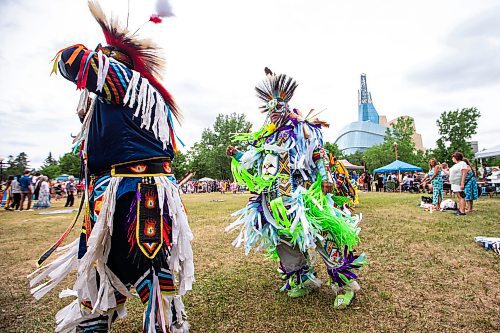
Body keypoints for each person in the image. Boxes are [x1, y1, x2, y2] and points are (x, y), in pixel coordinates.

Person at [29, 2, 194, 332]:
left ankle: (162, 325)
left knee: (146, 266)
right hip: (115, 198)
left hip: (133, 196)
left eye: (104, 57)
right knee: (100, 270)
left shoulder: (124, 81)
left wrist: (95, 56)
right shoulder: (131, 95)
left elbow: (71, 60)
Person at [226, 68, 366, 309]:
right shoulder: (266, 138)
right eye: (269, 110)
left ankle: (344, 284)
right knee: (282, 238)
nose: (273, 114)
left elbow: (318, 153)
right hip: (272, 199)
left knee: (321, 235)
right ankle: (303, 279)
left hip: (303, 195)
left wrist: (325, 176)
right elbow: (258, 162)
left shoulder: (304, 129)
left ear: (286, 107)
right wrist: (238, 155)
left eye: (277, 108)